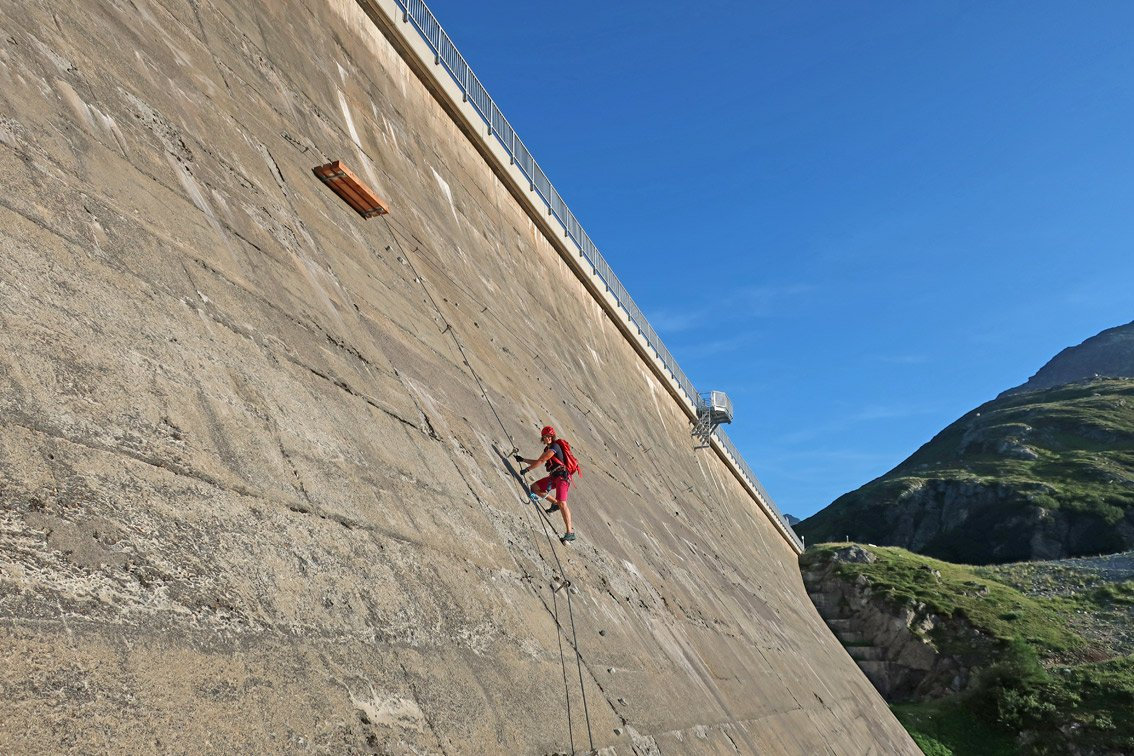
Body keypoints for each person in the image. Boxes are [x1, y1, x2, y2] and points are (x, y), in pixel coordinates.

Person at [516, 426, 577, 543]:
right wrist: (523, 459)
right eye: (545, 437)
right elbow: (539, 460)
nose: (547, 438)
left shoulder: (555, 446)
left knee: (563, 502)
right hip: (554, 477)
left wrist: (527, 469)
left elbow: (542, 461)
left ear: (552, 437)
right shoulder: (547, 449)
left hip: (562, 477)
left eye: (549, 436)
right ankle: (555, 503)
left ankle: (570, 532)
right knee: (535, 488)